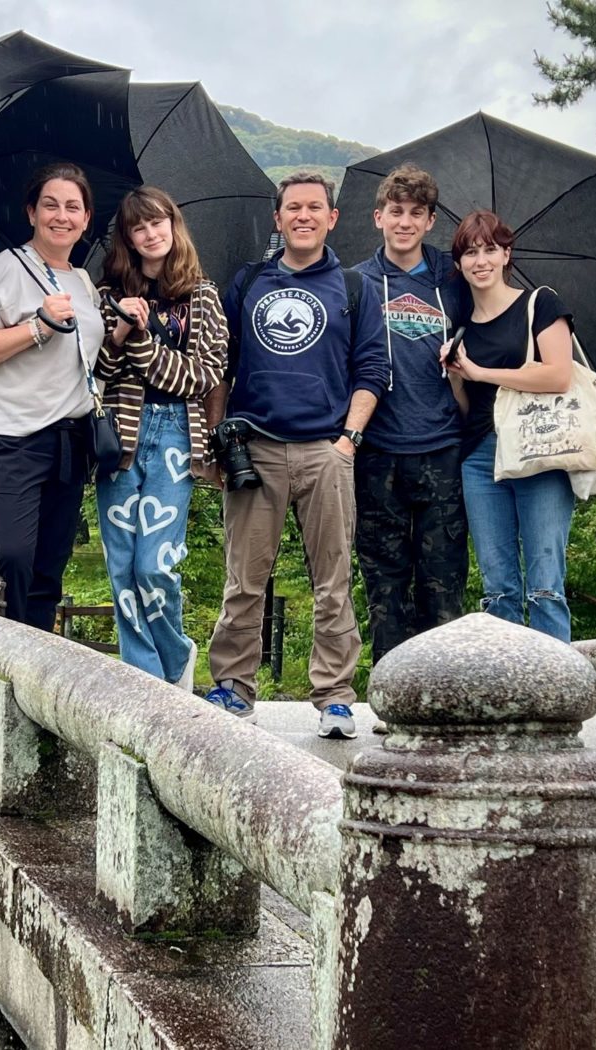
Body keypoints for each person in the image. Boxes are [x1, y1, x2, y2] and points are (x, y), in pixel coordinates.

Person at [205, 172, 388, 737]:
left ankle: (334, 696)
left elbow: (373, 371)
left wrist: (347, 441)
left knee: (332, 580)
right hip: (253, 448)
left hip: (324, 448)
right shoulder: (249, 282)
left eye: (315, 207)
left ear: (332, 218)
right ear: (278, 218)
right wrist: (216, 439)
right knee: (244, 578)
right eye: (292, 208)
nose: (303, 215)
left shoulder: (355, 288)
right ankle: (234, 687)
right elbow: (220, 365)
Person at [0, 162, 103, 630]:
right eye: (51, 205)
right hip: (8, 435)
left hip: (69, 440)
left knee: (48, 567)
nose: (62, 215)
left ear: (86, 219)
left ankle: (30, 672)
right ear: (32, 213)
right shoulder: (1, 270)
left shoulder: (83, 282)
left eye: (73, 207)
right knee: (12, 554)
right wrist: (36, 326)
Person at [95, 187, 229, 688]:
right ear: (127, 238)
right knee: (122, 565)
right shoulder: (108, 295)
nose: (151, 234)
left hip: (177, 433)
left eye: (158, 223)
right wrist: (119, 333)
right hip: (120, 437)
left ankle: (175, 657)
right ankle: (144, 681)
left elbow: (201, 376)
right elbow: (100, 370)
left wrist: (145, 342)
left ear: (174, 226)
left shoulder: (203, 295)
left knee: (156, 565)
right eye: (138, 227)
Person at [352, 165, 470, 664]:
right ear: (378, 216)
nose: (404, 222)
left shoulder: (454, 279)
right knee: (384, 582)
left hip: (442, 446)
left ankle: (442, 699)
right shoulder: (355, 282)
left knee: (444, 582)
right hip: (377, 451)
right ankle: (390, 694)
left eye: (415, 214)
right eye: (395, 212)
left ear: (430, 221)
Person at [443, 209, 576, 641]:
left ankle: (558, 699)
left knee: (544, 586)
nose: (480, 261)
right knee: (497, 588)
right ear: (459, 263)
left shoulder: (540, 304)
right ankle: (505, 696)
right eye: (470, 252)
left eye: (489, 250)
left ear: (506, 255)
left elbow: (558, 375)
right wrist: (457, 377)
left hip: (539, 452)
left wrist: (482, 372)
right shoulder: (461, 327)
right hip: (481, 457)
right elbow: (469, 410)